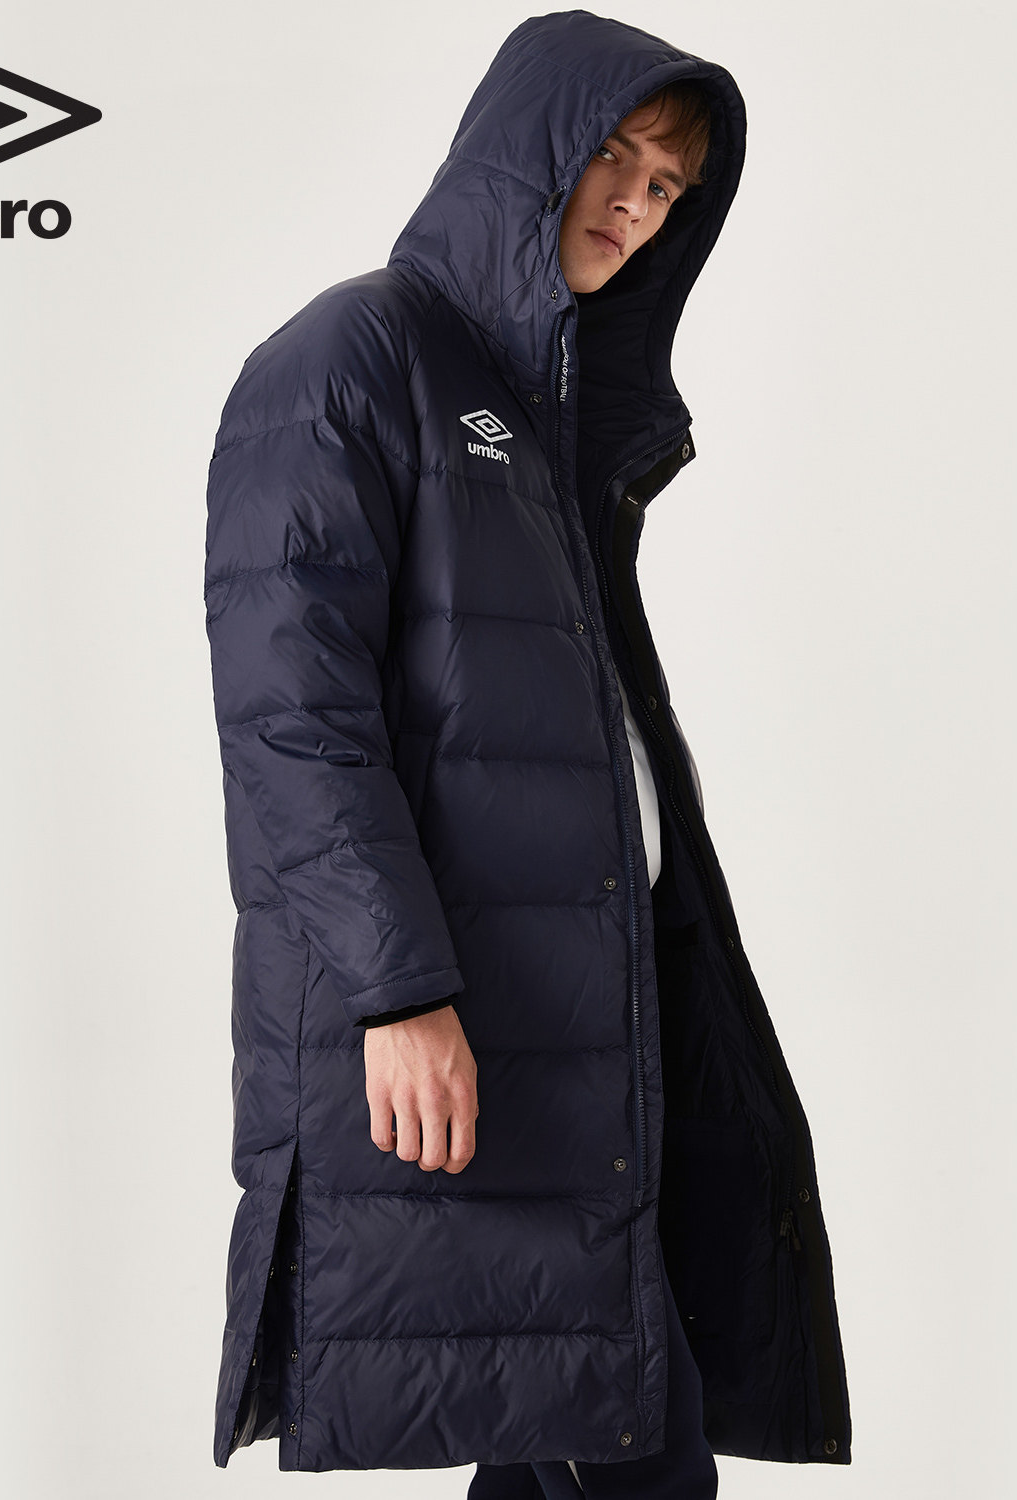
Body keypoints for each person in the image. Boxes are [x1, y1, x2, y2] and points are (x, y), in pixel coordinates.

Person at [202, 9, 851, 1492]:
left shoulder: (540, 422)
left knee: (569, 1426)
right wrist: (399, 991)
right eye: (612, 156)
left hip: (588, 1015)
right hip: (464, 1022)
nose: (634, 203)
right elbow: (292, 720)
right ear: (524, 151)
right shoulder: (350, 360)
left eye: (668, 186)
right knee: (617, 1439)